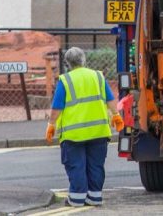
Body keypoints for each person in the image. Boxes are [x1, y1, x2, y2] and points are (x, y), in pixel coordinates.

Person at [45, 47, 124, 207]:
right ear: (84, 60)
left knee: (76, 165)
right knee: (96, 165)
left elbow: (57, 107)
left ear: (67, 64)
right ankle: (95, 196)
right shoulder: (97, 76)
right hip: (99, 131)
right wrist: (116, 115)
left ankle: (77, 198)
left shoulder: (65, 80)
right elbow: (109, 98)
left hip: (74, 134)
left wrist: (51, 124)